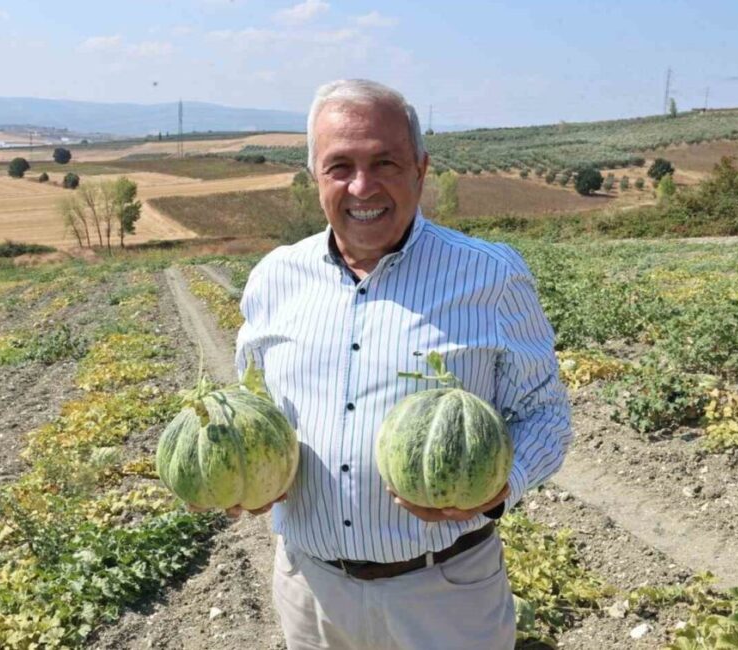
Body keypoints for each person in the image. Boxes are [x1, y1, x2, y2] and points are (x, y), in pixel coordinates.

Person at [234, 79, 573, 649]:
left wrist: (496, 490)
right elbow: (255, 406)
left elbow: (546, 415)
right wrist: (244, 472)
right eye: (340, 165)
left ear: (420, 169)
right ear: (314, 175)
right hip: (309, 586)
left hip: (445, 592)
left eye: (385, 162)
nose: (362, 186)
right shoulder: (274, 278)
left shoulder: (491, 275)